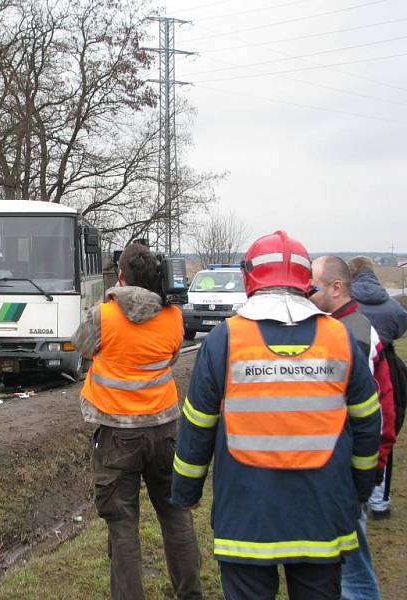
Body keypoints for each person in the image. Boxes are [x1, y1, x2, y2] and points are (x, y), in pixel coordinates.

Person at [172, 231, 381, 600]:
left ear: (249, 277)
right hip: (323, 514)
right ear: (304, 281)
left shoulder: (225, 339)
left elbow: (197, 425)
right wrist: (361, 489)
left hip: (246, 519)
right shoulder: (340, 337)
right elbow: (367, 424)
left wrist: (186, 491)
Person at [72, 242, 203, 600]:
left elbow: (80, 346)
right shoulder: (174, 317)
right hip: (164, 430)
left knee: (123, 526)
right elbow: (173, 355)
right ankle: (190, 593)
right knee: (176, 516)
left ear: (120, 276)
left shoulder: (104, 316)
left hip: (115, 435)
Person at [310, 255, 395, 600]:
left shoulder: (353, 334)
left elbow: (370, 412)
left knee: (353, 569)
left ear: (336, 287)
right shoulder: (346, 327)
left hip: (350, 467)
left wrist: (370, 468)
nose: (307, 292)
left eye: (313, 285)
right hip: (345, 463)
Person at [348, 255, 407, 520]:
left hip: (356, 364)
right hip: (387, 365)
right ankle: (380, 501)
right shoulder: (390, 302)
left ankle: (356, 490)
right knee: (385, 428)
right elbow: (401, 325)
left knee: (356, 428)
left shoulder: (349, 303)